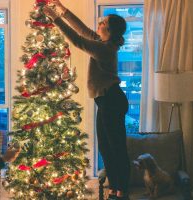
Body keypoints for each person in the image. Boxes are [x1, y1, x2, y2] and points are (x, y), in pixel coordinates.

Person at [44, 1, 130, 200]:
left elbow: (77, 40)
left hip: (112, 101)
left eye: (103, 22)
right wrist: (60, 8)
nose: (99, 23)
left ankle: (121, 190)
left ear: (108, 30)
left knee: (116, 147)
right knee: (106, 147)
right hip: (106, 100)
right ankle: (115, 186)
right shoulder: (102, 42)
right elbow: (81, 28)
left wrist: (54, 18)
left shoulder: (106, 49)